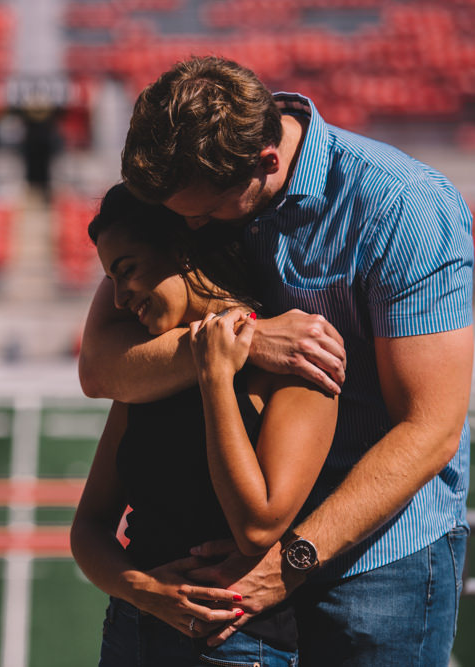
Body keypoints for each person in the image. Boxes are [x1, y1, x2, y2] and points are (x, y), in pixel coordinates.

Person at [79, 56, 474, 665]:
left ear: (267, 164)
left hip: (380, 557)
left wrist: (292, 558)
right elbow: (102, 368)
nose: (191, 229)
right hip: (240, 533)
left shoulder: (405, 208)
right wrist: (245, 340)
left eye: (204, 217)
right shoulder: (188, 189)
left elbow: (431, 428)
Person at [71, 184, 337, 666]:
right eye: (111, 279)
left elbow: (255, 526)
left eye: (127, 271)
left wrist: (216, 376)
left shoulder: (298, 363)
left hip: (235, 644)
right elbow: (88, 526)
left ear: (182, 248)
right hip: (133, 632)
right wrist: (144, 590)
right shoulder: (145, 373)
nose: (118, 299)